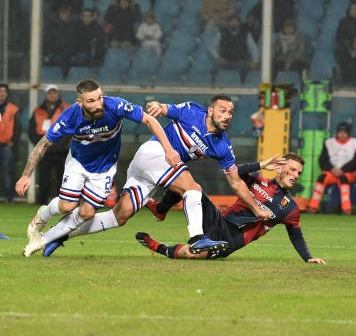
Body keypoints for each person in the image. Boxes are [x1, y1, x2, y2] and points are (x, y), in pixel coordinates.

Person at [41, 95, 274, 257]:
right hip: (154, 154)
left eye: (231, 112)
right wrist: (158, 107)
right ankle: (197, 238)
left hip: (154, 172)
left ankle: (61, 236)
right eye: (222, 111)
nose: (227, 116)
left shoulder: (222, 146)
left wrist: (256, 209)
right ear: (210, 110)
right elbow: (166, 109)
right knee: (193, 189)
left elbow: (236, 182)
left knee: (118, 217)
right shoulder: (192, 111)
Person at [17, 78, 180, 257]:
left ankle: (43, 240)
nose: (98, 104)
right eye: (91, 101)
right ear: (80, 103)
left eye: (99, 97)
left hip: (105, 168)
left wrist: (169, 150)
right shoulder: (70, 116)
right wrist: (26, 175)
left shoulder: (116, 106)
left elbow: (150, 120)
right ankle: (42, 216)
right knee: (66, 206)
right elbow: (43, 144)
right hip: (78, 163)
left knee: (87, 213)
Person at [138, 153, 326, 264]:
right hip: (218, 219)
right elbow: (235, 170)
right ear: (279, 168)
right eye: (292, 169)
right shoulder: (258, 179)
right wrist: (261, 165)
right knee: (187, 184)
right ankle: (161, 209)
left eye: (298, 173)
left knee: (192, 254)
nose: (295, 175)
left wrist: (308, 258)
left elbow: (296, 235)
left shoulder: (290, 207)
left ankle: (159, 247)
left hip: (231, 240)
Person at [27, 85, 71, 205]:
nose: (52, 95)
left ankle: (61, 203)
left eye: (54, 93)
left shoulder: (66, 109)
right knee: (43, 178)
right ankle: (41, 202)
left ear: (58, 94)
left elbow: (70, 130)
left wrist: (59, 145)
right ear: (46, 95)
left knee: (62, 178)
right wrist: (41, 145)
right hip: (44, 151)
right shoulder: (38, 110)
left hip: (61, 151)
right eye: (50, 93)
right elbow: (32, 131)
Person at [307, 122, 356, 214]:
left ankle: (346, 208)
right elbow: (323, 160)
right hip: (332, 172)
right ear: (337, 133)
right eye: (340, 132)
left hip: (349, 173)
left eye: (345, 132)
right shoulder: (329, 143)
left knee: (343, 178)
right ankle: (313, 206)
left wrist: (343, 170)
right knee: (322, 178)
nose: (342, 135)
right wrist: (332, 169)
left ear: (348, 133)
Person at [208, 15, 259, 83]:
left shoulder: (246, 33)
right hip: (225, 60)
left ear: (239, 23)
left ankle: (242, 87)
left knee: (244, 68)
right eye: (232, 22)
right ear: (228, 23)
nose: (234, 24)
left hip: (240, 61)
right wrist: (218, 57)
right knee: (215, 68)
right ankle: (211, 86)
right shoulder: (222, 32)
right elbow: (212, 46)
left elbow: (253, 48)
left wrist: (255, 61)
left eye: (236, 22)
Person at [0, 83, 20, 204]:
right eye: (0, 91)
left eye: (4, 91)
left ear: (7, 94)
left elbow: (18, 127)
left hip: (6, 145)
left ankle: (9, 198)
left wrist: (13, 141)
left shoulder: (13, 109)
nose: (2, 93)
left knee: (8, 172)